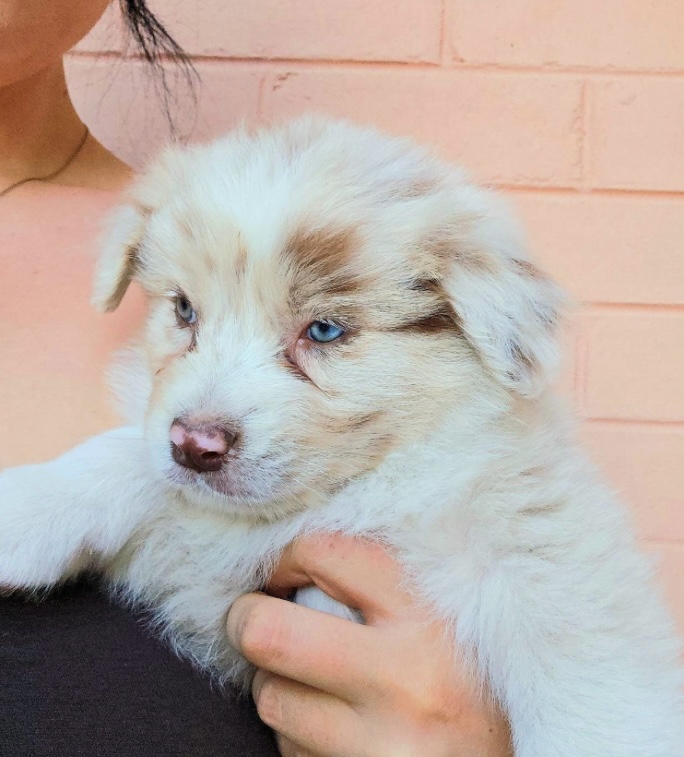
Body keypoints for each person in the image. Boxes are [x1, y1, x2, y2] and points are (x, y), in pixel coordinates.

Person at [0, 2, 513, 755]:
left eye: (322, 331)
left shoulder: (413, 301)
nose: (201, 429)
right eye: (186, 313)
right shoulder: (185, 227)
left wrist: (484, 739)